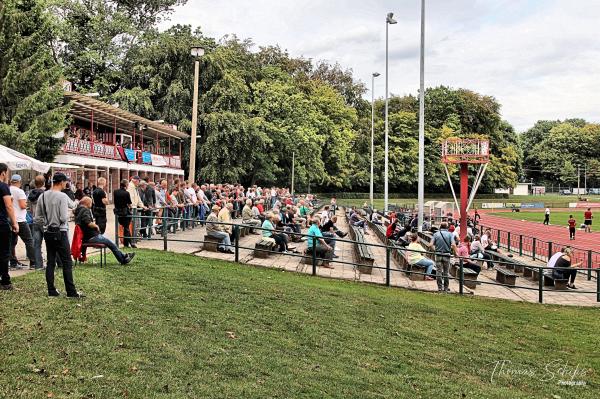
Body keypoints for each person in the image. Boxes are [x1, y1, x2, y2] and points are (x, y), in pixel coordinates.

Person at [35, 173, 84, 298]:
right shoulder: (62, 196)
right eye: (65, 182)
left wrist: (46, 226)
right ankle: (71, 292)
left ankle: (51, 290)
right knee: (67, 262)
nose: (66, 184)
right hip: (60, 232)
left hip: (48, 232)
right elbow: (63, 217)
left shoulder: (43, 195)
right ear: (61, 182)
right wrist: (69, 213)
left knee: (51, 261)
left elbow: (38, 217)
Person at [74, 197, 135, 265]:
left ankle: (123, 257)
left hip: (86, 236)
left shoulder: (78, 211)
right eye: (91, 203)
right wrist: (96, 226)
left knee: (109, 243)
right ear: (87, 203)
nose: (92, 204)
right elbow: (88, 223)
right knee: (111, 243)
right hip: (91, 236)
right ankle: (123, 259)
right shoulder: (85, 210)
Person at [9, 174, 36, 270]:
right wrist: (26, 204)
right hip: (20, 220)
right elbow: (22, 205)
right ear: (19, 182)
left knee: (11, 242)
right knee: (29, 240)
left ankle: (13, 263)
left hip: (10, 220)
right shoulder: (20, 191)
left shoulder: (7, 189)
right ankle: (33, 262)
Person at [0, 163, 18, 290]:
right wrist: (14, 223)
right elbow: (9, 206)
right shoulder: (4, 187)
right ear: (3, 173)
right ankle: (5, 281)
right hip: (1, 224)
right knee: (4, 253)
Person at [429, 222, 457, 292]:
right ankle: (446, 288)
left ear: (440, 227)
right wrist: (455, 253)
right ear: (447, 227)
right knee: (446, 272)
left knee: (438, 271)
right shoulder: (450, 234)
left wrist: (435, 250)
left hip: (438, 255)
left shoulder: (436, 234)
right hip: (446, 255)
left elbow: (430, 245)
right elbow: (453, 245)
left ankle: (439, 287)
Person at [28, 175, 46, 270]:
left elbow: (27, 208)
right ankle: (51, 263)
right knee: (49, 243)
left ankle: (38, 265)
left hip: (34, 220)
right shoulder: (45, 194)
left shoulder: (30, 194)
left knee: (36, 244)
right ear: (44, 183)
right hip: (44, 221)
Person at [114, 179, 134, 248]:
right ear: (126, 185)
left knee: (125, 227)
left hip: (118, 212)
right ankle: (130, 243)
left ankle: (128, 244)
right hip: (125, 212)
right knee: (126, 228)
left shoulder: (115, 192)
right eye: (128, 184)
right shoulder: (126, 193)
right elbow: (129, 204)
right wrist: (131, 209)